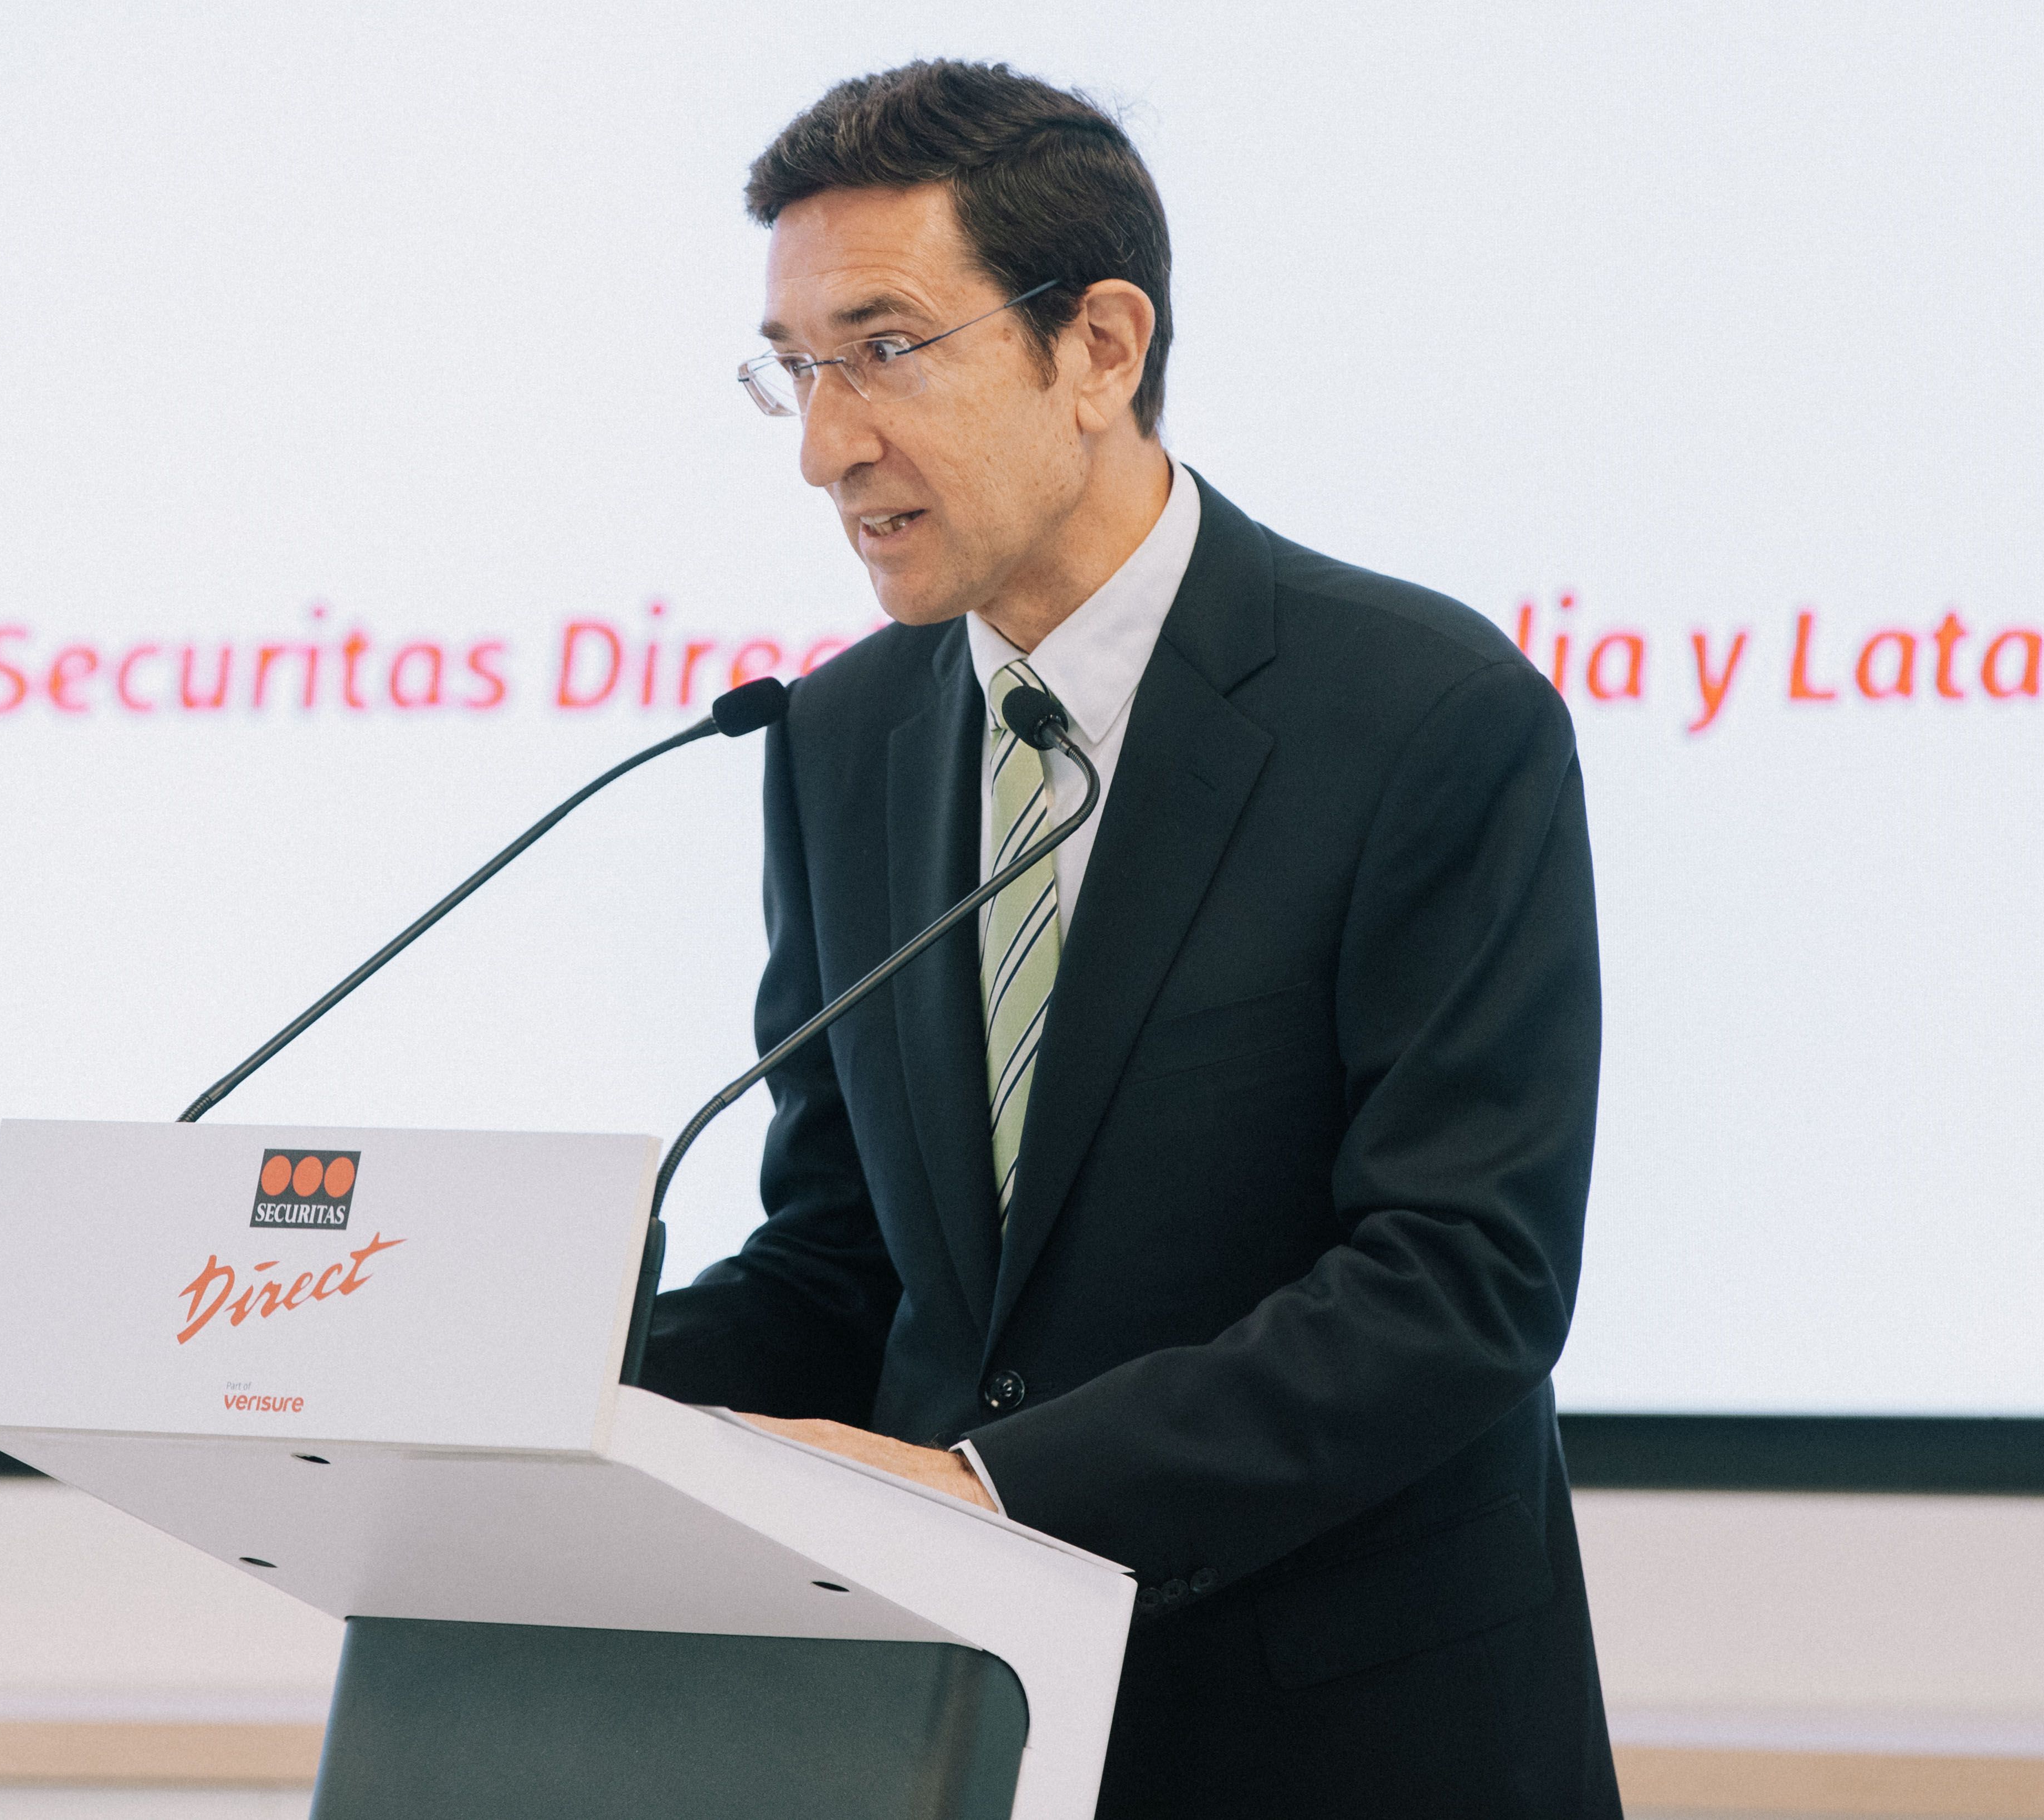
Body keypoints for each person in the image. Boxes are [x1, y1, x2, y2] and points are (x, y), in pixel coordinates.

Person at [640, 58, 1616, 1819]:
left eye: (883, 348)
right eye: (793, 369)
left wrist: (991, 1489)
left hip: (1345, 1740)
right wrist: (557, 1400)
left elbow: (1461, 1283)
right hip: (955, 1733)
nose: (825, 445)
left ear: (1098, 346)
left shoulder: (1427, 715)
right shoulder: (844, 741)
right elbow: (845, 1254)